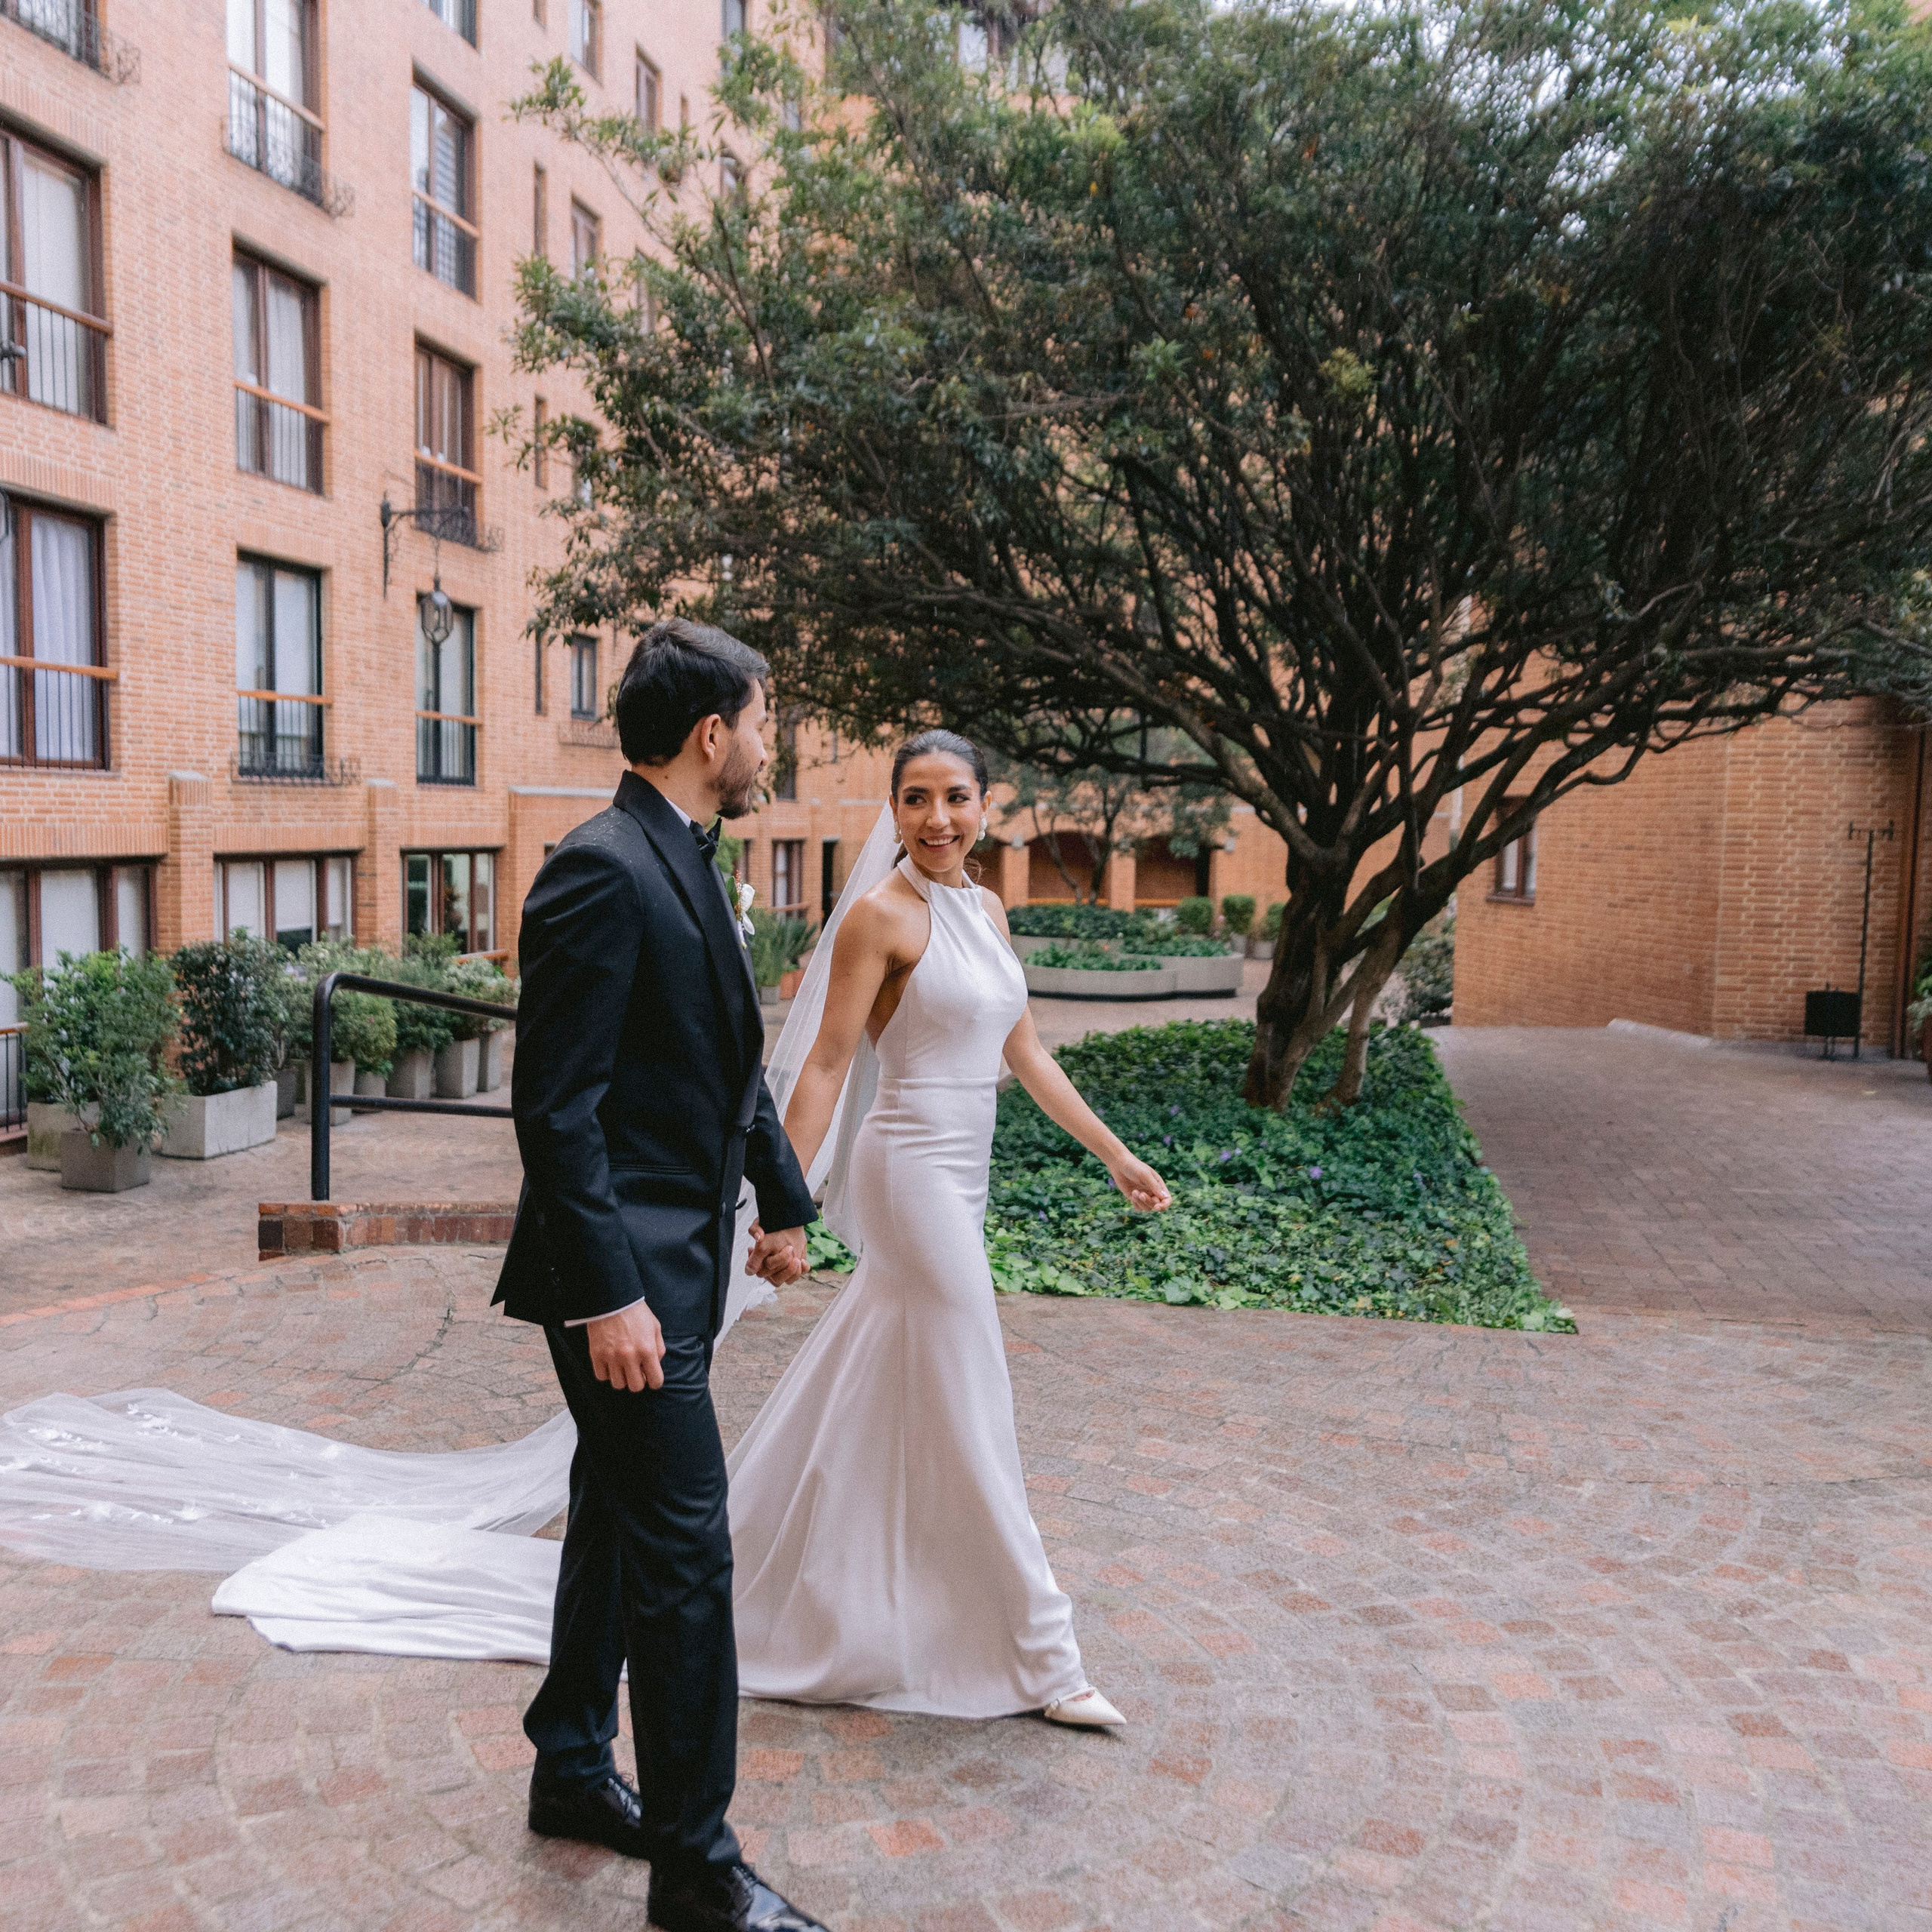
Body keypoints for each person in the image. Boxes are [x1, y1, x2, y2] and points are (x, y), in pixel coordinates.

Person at [728, 729, 1173, 1725]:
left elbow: (1026, 1051)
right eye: (917, 799)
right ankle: (1046, 1660)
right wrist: (785, 1207)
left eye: (956, 797)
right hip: (908, 1174)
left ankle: (812, 1584)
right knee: (977, 1391)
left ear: (986, 805)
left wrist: (1114, 1152)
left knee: (886, 1378)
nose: (937, 819)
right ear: (895, 809)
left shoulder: (987, 909)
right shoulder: (881, 920)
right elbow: (829, 1068)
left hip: (964, 1179)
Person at [495, 618, 829, 1932]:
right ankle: (698, 1871)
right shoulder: (599, 869)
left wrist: (784, 1199)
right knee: (689, 1553)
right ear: (711, 736)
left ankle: (573, 1765)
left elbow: (725, 1065)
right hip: (622, 1290)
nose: (768, 743)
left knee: (616, 1514)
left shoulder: (683, 859)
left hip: (680, 1269)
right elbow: (556, 1113)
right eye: (761, 720)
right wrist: (608, 1297)